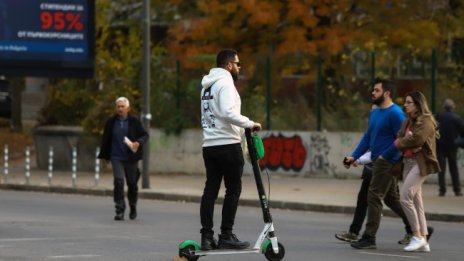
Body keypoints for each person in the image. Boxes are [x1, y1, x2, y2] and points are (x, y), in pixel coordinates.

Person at [199, 49, 262, 250]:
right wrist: (250, 123)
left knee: (210, 190)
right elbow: (227, 112)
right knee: (233, 189)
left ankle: (206, 237)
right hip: (227, 144)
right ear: (228, 65)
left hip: (209, 145)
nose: (239, 67)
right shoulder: (225, 83)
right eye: (238, 63)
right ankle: (226, 234)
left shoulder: (206, 86)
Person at [344, 78, 413, 249]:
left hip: (387, 162)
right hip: (377, 161)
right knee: (392, 200)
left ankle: (369, 237)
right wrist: (354, 156)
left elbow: (404, 138)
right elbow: (368, 137)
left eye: (376, 90)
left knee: (373, 197)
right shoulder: (375, 113)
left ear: (387, 93)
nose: (372, 93)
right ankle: (417, 227)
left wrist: (388, 156)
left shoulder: (396, 113)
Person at [394, 91, 440, 252]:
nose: (405, 105)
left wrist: (405, 142)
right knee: (416, 201)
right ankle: (424, 240)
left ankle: (417, 236)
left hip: (420, 164)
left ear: (418, 104)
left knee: (405, 197)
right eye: (405, 102)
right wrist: (406, 142)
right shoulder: (408, 122)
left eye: (408, 103)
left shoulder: (426, 121)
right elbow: (400, 138)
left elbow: (417, 140)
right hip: (407, 162)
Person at [98, 97, 149, 221]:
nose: (120, 109)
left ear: (128, 108)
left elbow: (145, 135)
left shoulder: (134, 121)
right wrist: (105, 156)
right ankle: (119, 209)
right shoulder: (111, 122)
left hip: (131, 158)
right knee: (118, 182)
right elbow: (106, 139)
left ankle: (133, 206)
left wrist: (138, 142)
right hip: (116, 157)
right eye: (118, 106)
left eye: (122, 106)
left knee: (132, 184)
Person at [335, 151, 373, 243]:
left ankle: (412, 229)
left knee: (390, 202)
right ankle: (354, 232)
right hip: (372, 171)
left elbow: (378, 150)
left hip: (383, 171)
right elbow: (365, 143)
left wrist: (358, 159)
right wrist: (354, 157)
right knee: (362, 202)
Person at [435, 99, 464, 197]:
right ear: (453, 107)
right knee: (454, 168)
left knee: (441, 169)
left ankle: (442, 190)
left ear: (444, 107)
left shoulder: (438, 117)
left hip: (440, 146)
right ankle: (457, 190)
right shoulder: (457, 118)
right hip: (452, 146)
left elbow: (433, 128)